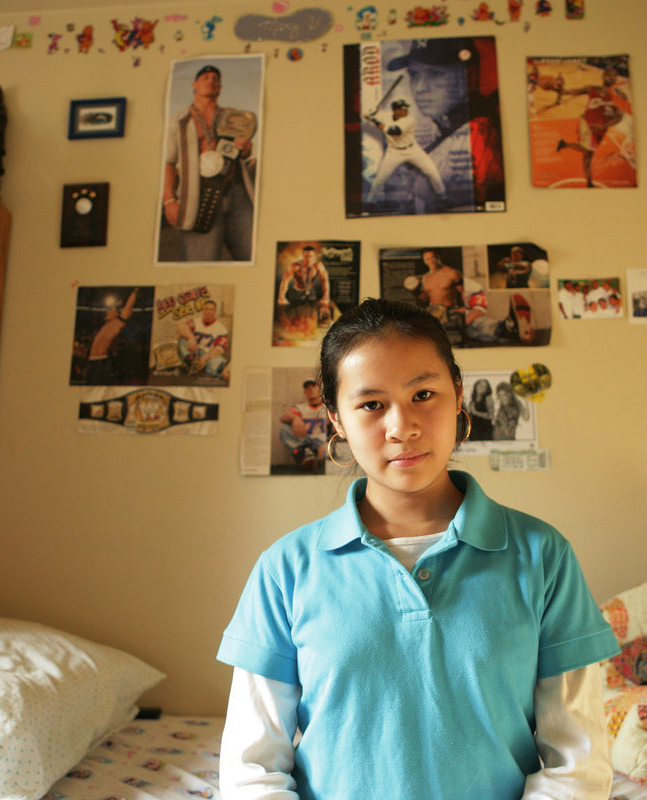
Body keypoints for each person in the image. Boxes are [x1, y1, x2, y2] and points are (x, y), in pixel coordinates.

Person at [217, 298, 620, 799]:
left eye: (423, 394)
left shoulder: (542, 556)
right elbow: (251, 768)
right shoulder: (286, 569)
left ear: (457, 396)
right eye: (370, 404)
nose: (401, 426)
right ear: (335, 419)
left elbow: (577, 763)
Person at [367, 38, 504, 214]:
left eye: (435, 74)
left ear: (469, 77)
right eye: (415, 75)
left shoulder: (475, 136)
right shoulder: (450, 130)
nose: (420, 88)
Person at [162, 64, 256, 261]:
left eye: (215, 78)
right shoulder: (178, 121)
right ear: (194, 85)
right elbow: (168, 162)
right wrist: (169, 200)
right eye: (205, 77)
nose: (211, 80)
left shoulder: (233, 117)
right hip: (199, 194)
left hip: (236, 190)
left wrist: (246, 150)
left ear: (220, 87)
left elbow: (243, 151)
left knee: (254, 255)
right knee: (198, 264)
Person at [555, 64, 631, 187]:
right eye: (608, 74)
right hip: (587, 124)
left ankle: (564, 144)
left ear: (616, 79)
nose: (610, 77)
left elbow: (619, 116)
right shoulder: (592, 89)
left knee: (586, 150)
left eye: (613, 75)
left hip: (601, 128)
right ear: (603, 75)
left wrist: (604, 126)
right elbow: (569, 91)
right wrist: (559, 88)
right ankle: (589, 182)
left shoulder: (620, 95)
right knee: (588, 153)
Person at [363, 98, 447, 209]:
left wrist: (374, 120)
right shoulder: (386, 116)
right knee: (380, 178)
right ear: (395, 110)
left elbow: (394, 131)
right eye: (402, 109)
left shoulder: (409, 120)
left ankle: (443, 198)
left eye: (406, 108)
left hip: (412, 150)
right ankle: (370, 202)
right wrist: (370, 114)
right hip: (393, 152)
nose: (405, 111)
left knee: (432, 172)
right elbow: (369, 115)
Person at [85, 288, 138, 385]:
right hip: (91, 362)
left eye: (110, 311)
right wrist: (117, 304)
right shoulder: (106, 326)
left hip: (100, 363)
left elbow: (128, 307)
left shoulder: (117, 324)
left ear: (116, 315)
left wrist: (135, 291)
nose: (107, 312)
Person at [278, 379, 327, 472]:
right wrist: (295, 418)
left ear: (320, 389)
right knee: (285, 427)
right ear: (304, 391)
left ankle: (312, 458)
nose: (310, 389)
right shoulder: (300, 408)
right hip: (305, 443)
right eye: (307, 388)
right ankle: (304, 455)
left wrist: (324, 444)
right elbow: (283, 417)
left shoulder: (327, 407)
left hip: (324, 444)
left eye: (313, 386)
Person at [176, 299, 231, 380]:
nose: (208, 311)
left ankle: (203, 368)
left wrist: (206, 357)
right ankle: (190, 363)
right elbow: (181, 328)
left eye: (211, 309)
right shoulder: (196, 321)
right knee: (182, 340)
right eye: (206, 309)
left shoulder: (221, 328)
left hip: (207, 354)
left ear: (215, 311)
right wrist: (191, 337)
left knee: (219, 362)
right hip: (193, 352)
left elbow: (219, 349)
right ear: (203, 310)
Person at [276, 245, 332, 320]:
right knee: (295, 317)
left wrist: (326, 297)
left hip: (311, 292)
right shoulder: (295, 266)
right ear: (302, 256)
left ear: (314, 256)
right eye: (306, 256)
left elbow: (324, 280)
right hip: (296, 293)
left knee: (311, 317)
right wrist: (281, 296)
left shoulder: (318, 266)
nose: (308, 258)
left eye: (310, 256)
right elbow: (285, 281)